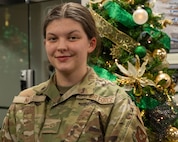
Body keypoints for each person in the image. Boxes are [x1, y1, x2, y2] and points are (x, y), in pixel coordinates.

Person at [0, 2, 149, 142]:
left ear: (91, 44)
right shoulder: (24, 102)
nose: (61, 46)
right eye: (53, 39)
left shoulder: (115, 103)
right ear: (45, 44)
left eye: (72, 37)